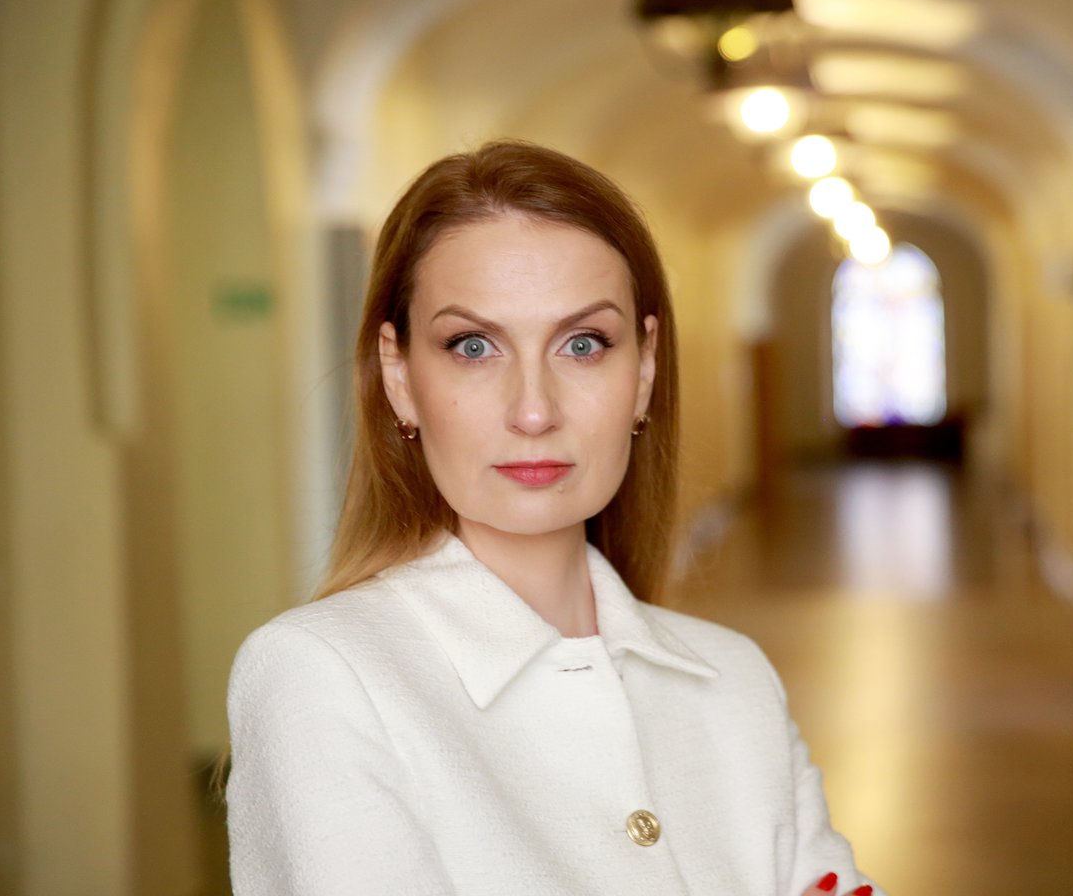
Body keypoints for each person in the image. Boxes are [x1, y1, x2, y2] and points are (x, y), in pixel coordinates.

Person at [225, 140, 877, 895]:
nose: (534, 411)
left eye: (583, 344)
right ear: (400, 376)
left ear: (644, 370)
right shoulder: (323, 676)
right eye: (474, 346)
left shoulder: (734, 679)